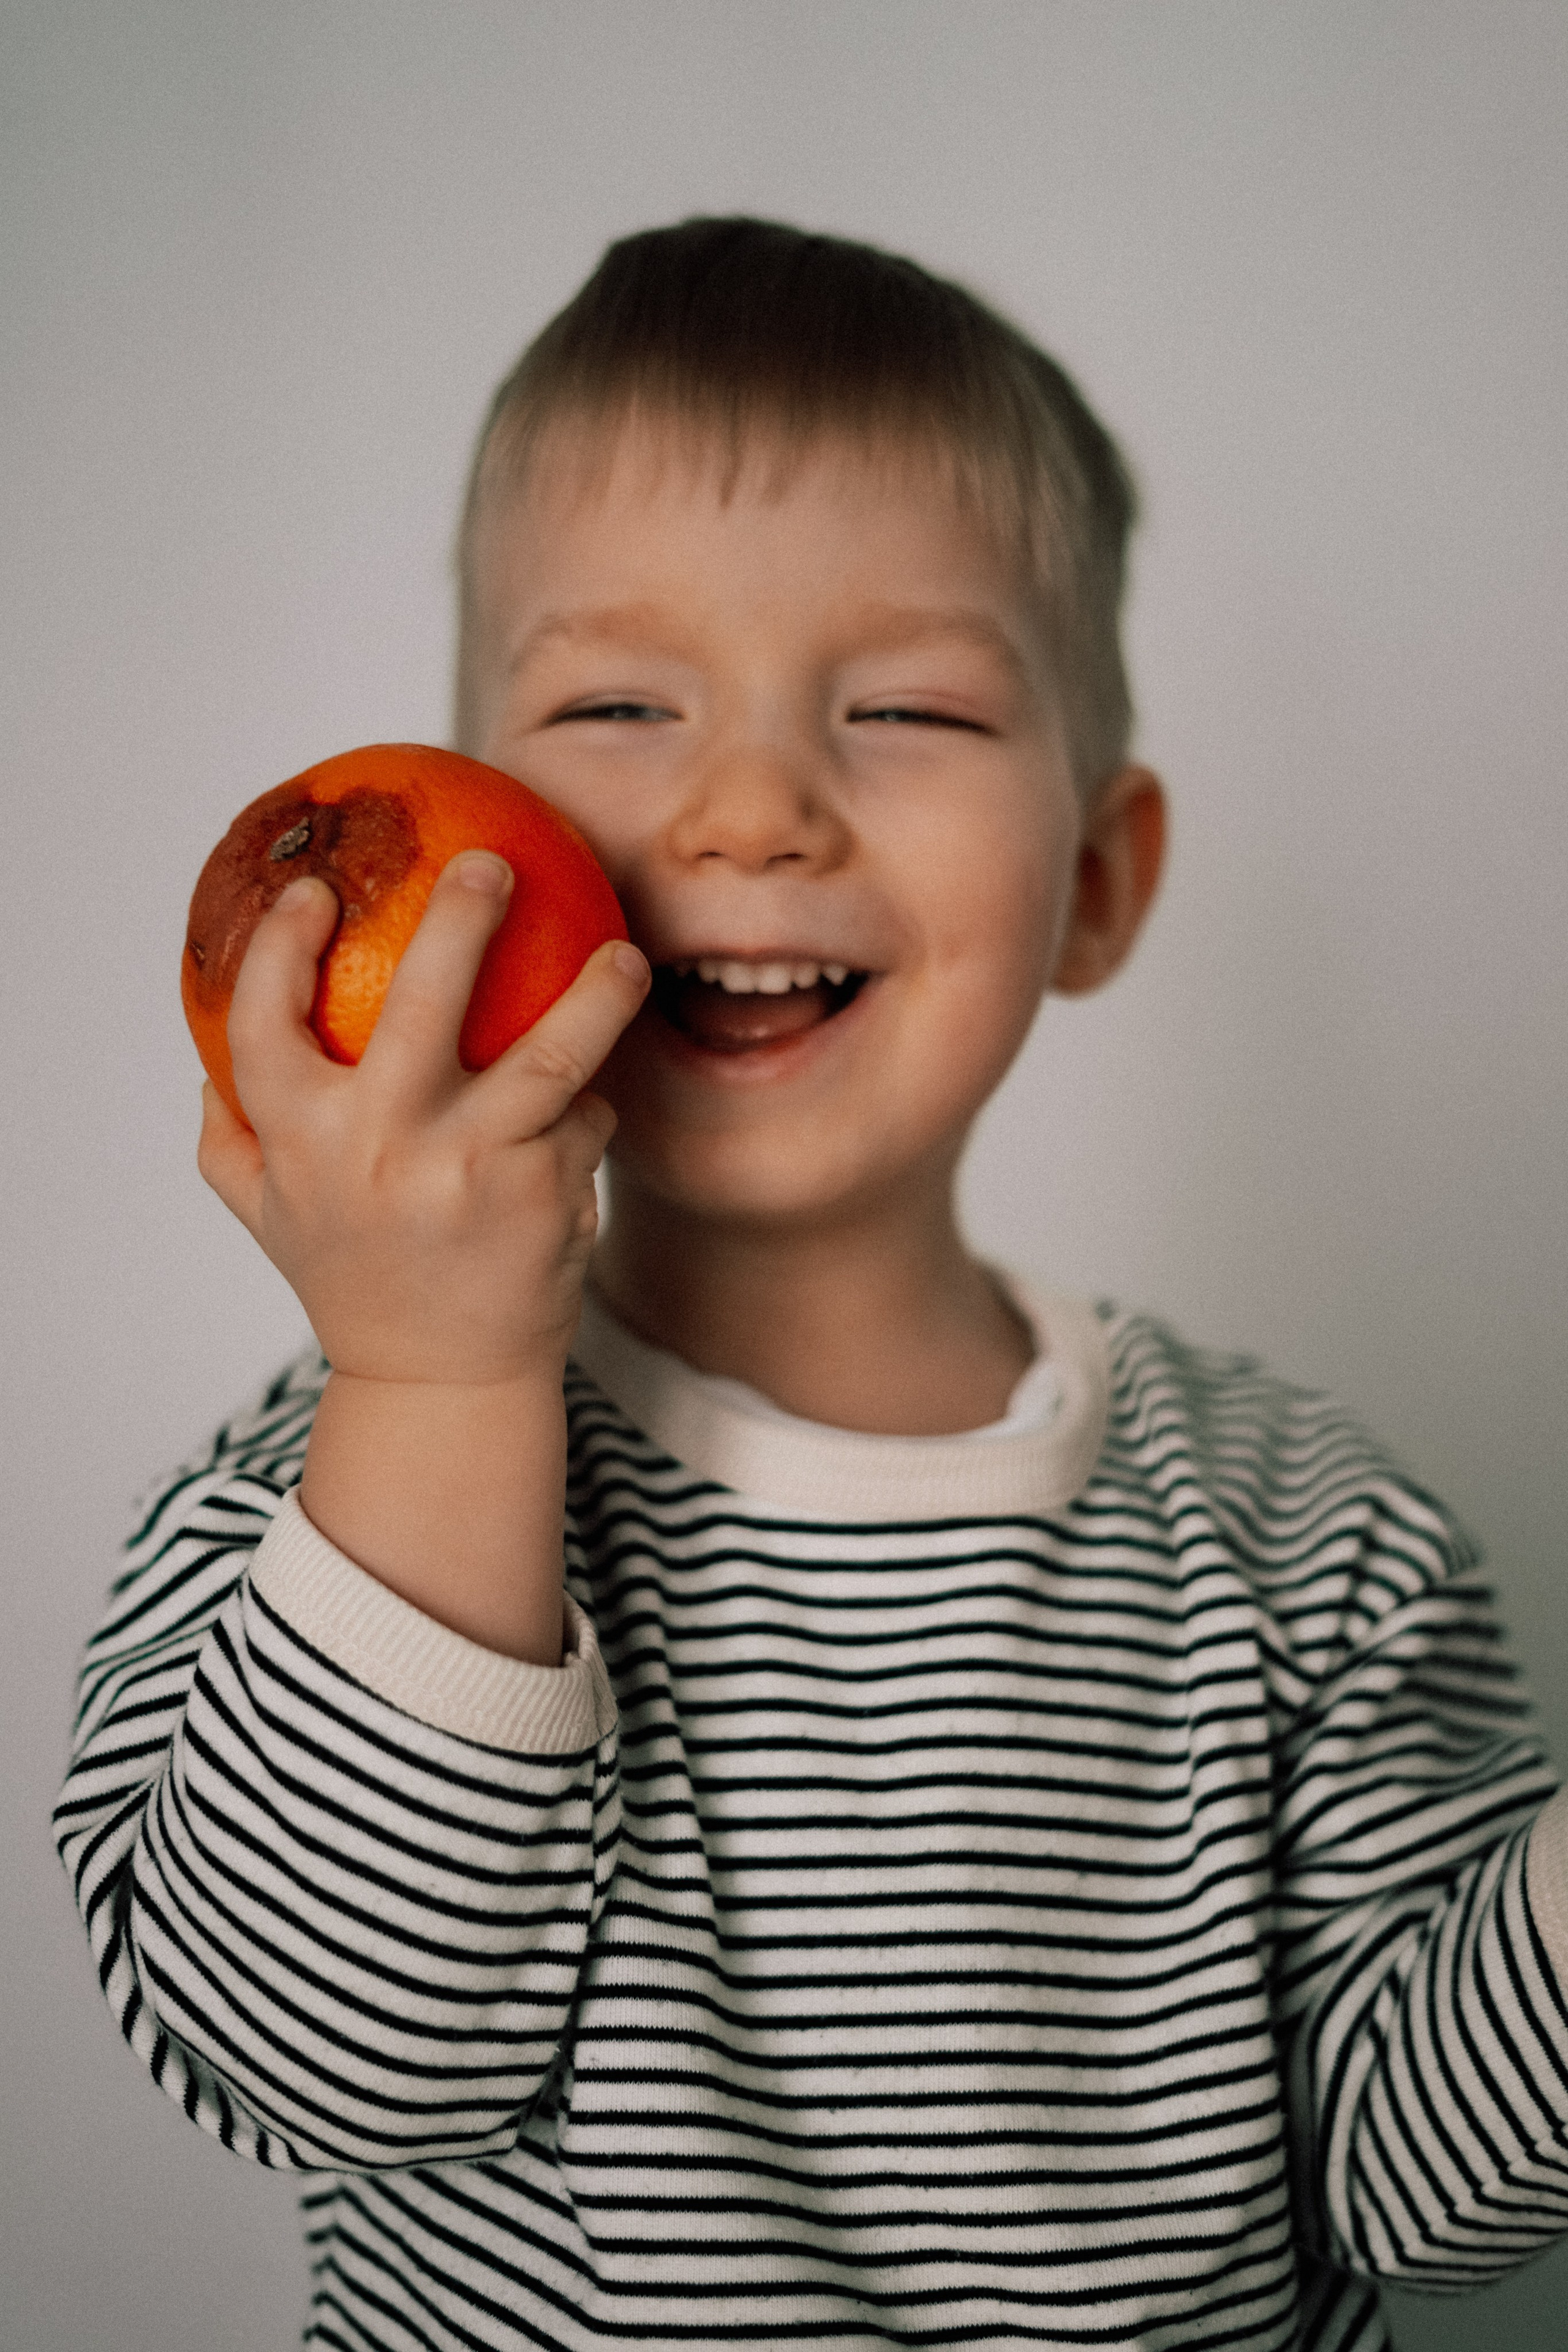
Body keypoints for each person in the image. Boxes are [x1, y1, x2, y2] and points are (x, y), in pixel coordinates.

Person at [55, 218, 1568, 2352]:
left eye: (908, 704)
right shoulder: (324, 1514)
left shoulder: (1311, 1534)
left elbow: (1433, 2191)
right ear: (462, 819)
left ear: (1101, 882)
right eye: (614, 700)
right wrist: (425, 1376)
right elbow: (332, 2067)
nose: (750, 805)